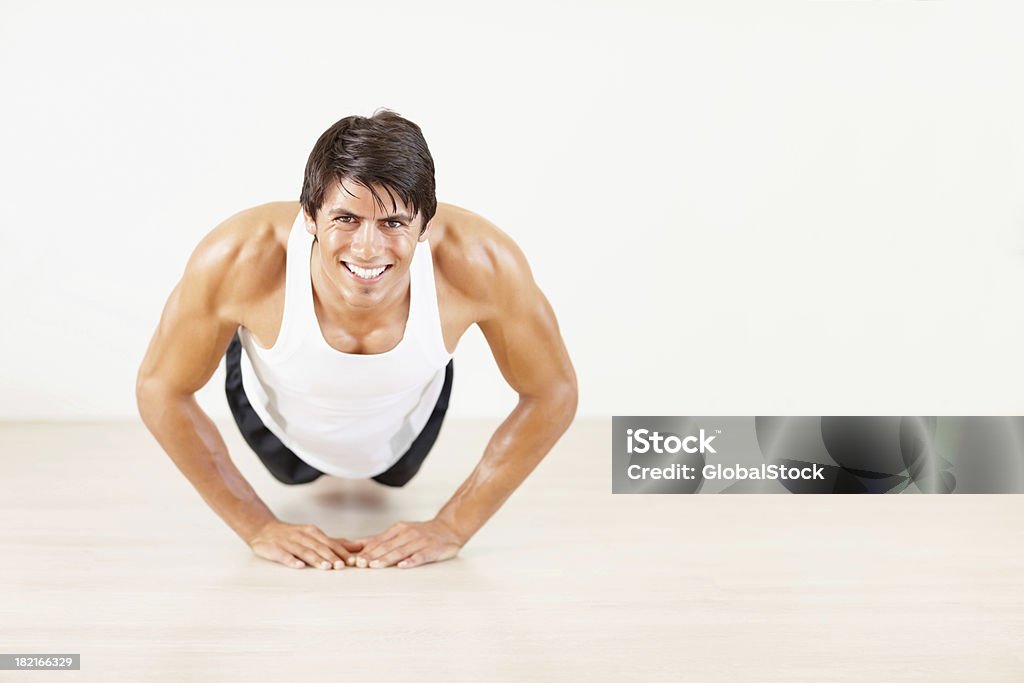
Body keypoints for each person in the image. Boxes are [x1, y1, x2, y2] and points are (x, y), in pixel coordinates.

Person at [135, 110, 578, 571]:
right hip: (277, 424)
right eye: (346, 218)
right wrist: (256, 525)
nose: (368, 249)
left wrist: (452, 527)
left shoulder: (481, 260)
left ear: (425, 224)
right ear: (308, 215)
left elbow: (554, 392)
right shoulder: (239, 257)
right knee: (290, 472)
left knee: (396, 475)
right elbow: (159, 388)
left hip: (405, 421)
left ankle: (414, 359)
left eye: (393, 224)